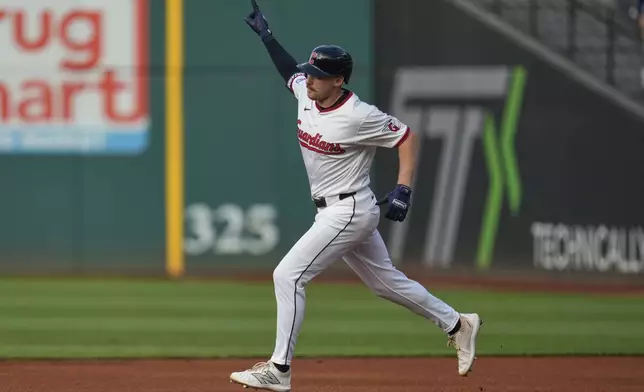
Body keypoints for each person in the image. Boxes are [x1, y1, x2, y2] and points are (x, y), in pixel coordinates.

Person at [230, 1, 482, 391]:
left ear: (339, 81)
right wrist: (268, 37)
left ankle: (279, 370)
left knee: (288, 276)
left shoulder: (359, 115)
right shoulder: (307, 95)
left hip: (347, 211)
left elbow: (406, 137)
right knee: (386, 283)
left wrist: (404, 188)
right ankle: (458, 323)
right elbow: (288, 71)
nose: (309, 78)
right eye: (310, 72)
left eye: (318, 75)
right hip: (338, 209)